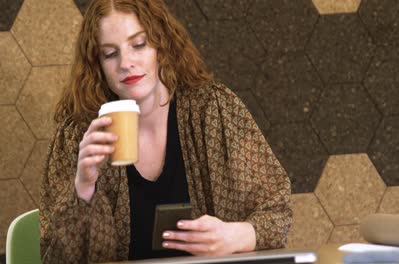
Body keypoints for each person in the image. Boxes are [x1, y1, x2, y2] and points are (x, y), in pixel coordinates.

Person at [39, 0, 292, 263]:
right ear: (97, 65)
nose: (126, 63)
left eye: (139, 44)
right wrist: (83, 187)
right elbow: (54, 256)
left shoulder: (213, 110)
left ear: (163, 44)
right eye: (110, 54)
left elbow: (277, 212)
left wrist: (236, 235)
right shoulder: (77, 136)